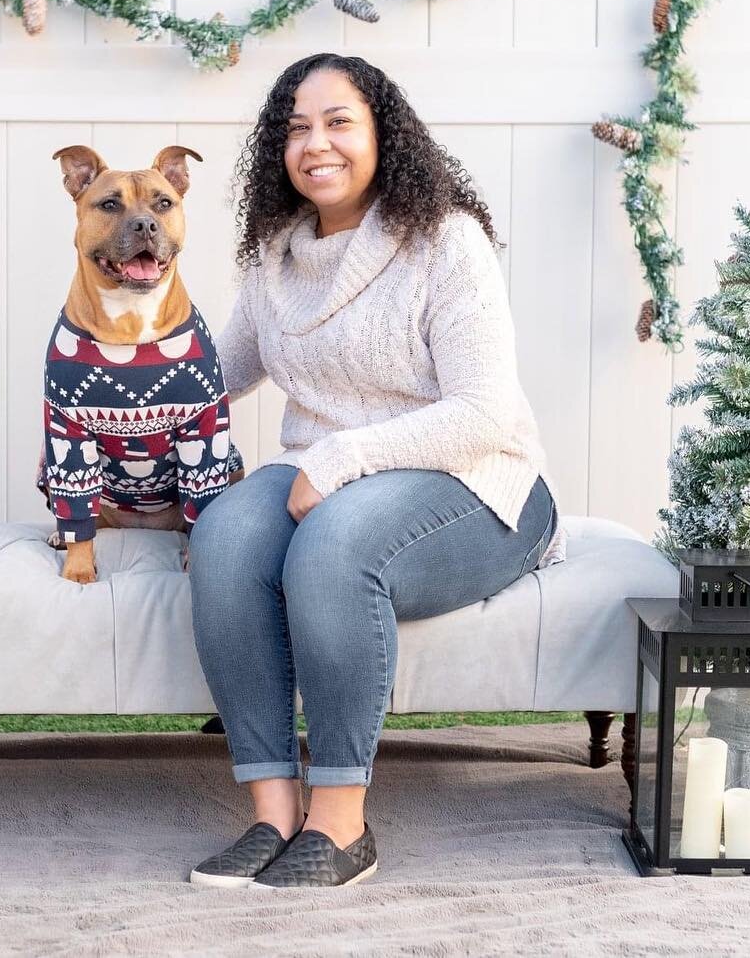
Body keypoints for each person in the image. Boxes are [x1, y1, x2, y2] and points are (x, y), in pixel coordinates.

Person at [185, 52, 565, 889]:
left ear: (382, 132)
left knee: (330, 544)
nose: (314, 143)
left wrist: (343, 454)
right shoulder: (273, 257)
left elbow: (483, 412)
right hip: (332, 481)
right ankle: (272, 813)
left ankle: (341, 825)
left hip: (477, 480)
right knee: (222, 536)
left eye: (337, 122)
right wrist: (114, 422)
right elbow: (215, 374)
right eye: (294, 129)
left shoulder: (445, 242)